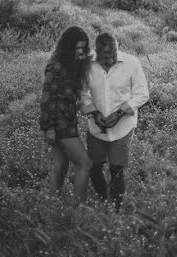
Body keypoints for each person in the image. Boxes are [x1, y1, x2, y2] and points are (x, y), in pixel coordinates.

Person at [80, 32, 149, 210]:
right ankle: (105, 201)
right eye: (105, 58)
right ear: (96, 52)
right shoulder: (87, 65)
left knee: (116, 169)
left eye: (113, 55)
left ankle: (116, 210)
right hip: (96, 128)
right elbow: (82, 93)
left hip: (123, 127)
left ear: (118, 48)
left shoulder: (131, 63)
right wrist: (94, 113)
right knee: (94, 167)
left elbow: (142, 94)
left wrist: (119, 114)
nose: (110, 61)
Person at [41, 26, 93, 203]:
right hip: (60, 123)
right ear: (67, 47)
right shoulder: (55, 66)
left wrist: (76, 103)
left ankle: (51, 206)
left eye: (83, 48)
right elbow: (47, 98)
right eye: (76, 48)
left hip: (68, 120)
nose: (80, 52)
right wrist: (49, 128)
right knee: (85, 163)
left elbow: (66, 96)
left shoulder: (72, 65)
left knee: (60, 167)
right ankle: (79, 209)